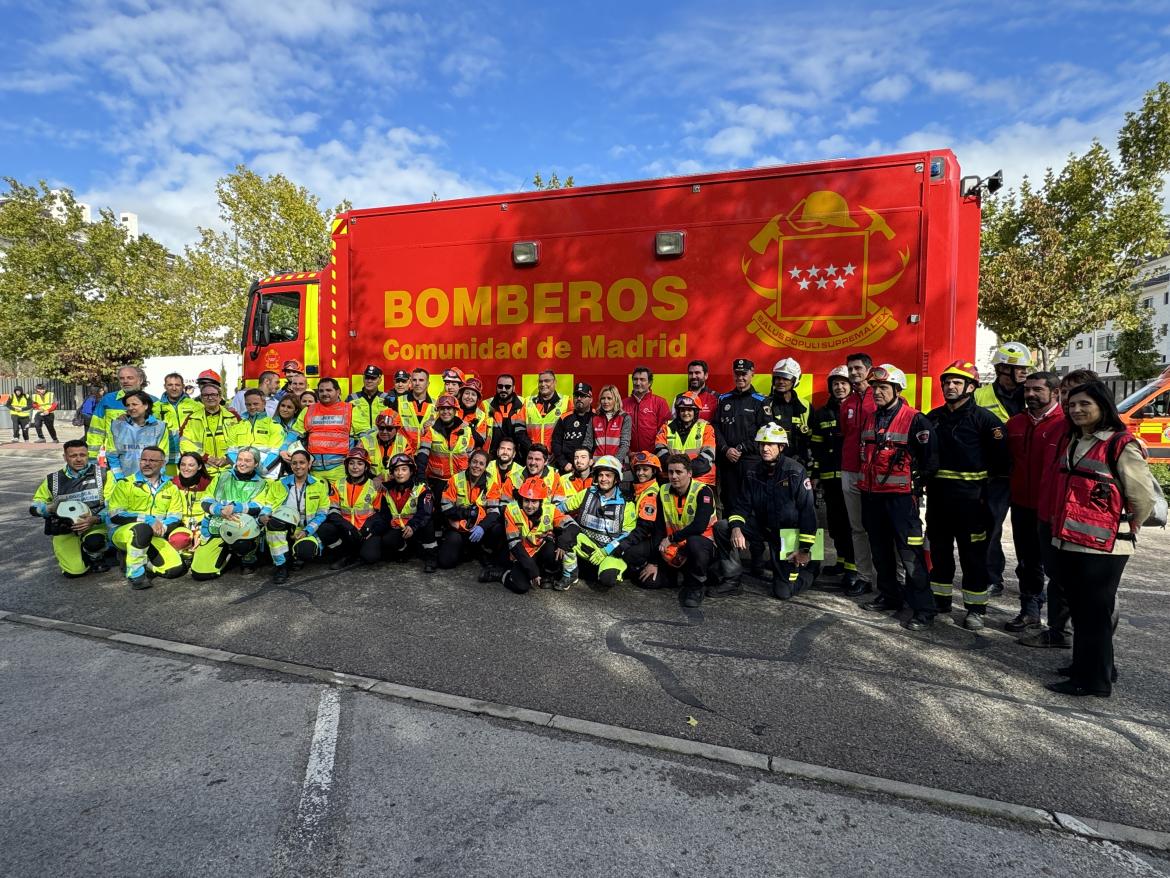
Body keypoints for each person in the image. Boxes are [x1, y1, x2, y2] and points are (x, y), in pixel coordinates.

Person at [1046, 381, 1158, 697]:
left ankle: (1094, 681)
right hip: (1072, 541)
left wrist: (1132, 524)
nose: (1077, 410)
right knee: (1083, 611)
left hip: (1105, 547)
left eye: (1085, 404)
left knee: (1095, 612)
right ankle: (1089, 666)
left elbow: (1142, 497)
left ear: (1102, 406)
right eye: (1072, 405)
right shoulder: (1076, 440)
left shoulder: (1121, 444)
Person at [924, 361, 1010, 630]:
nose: (950, 386)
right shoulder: (933, 417)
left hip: (973, 503)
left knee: (973, 556)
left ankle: (976, 609)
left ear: (971, 387)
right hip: (939, 500)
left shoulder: (986, 420)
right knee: (939, 553)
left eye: (957, 383)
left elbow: (1002, 464)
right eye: (947, 382)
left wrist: (987, 497)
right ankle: (940, 604)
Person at [1019, 368, 1099, 649]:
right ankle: (1059, 634)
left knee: (1093, 591)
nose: (1071, 402)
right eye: (1067, 394)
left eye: (1080, 397)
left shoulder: (1112, 438)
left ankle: (1095, 652)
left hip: (1084, 523)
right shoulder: (1057, 428)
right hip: (1047, 515)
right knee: (1058, 579)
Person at [857, 365, 939, 630]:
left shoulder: (916, 420)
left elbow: (931, 462)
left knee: (910, 555)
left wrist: (914, 488)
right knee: (880, 552)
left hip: (901, 501)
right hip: (873, 497)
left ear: (896, 389)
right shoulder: (871, 417)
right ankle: (890, 596)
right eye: (874, 388)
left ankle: (923, 610)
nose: (877, 392)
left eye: (882, 388)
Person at [713, 423, 817, 600]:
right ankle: (732, 579)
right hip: (763, 526)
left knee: (783, 592)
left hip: (789, 533)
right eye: (762, 444)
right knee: (723, 527)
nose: (765, 448)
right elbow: (742, 505)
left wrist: (805, 548)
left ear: (781, 447)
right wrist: (737, 527)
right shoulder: (753, 471)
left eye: (770, 444)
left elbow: (807, 512)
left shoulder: (795, 471)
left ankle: (812, 567)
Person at [1004, 371, 1064, 632]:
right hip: (1022, 505)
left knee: (1058, 567)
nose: (1030, 394)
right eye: (1027, 389)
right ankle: (1029, 611)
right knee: (1027, 562)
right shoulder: (1015, 424)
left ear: (1055, 392)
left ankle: (1060, 625)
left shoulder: (1066, 424)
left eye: (1038, 389)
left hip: (1054, 509)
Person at [975, 341, 1033, 597]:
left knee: (1028, 533)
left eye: (1025, 368)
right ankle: (992, 577)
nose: (1023, 372)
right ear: (1001, 369)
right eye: (1017, 367)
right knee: (990, 527)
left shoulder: (1033, 395)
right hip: (995, 475)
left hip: (1027, 474)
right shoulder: (979, 396)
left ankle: (1030, 584)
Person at [191, 447, 280, 580]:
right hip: (218, 524)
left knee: (244, 540)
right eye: (240, 459)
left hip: (243, 526)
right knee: (201, 573)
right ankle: (226, 553)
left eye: (248, 460)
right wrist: (219, 510)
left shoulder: (263, 483)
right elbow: (206, 499)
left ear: (256, 464)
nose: (242, 463)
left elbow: (259, 505)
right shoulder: (222, 477)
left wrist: (234, 508)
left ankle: (247, 559)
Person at [105, 445, 187, 588]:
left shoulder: (171, 487)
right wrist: (149, 520)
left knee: (175, 570)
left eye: (152, 460)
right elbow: (116, 515)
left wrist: (162, 527)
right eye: (144, 459)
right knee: (142, 529)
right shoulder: (125, 484)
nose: (147, 463)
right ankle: (135, 574)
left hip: (155, 534)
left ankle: (137, 559)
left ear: (162, 463)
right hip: (124, 533)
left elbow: (175, 515)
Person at [30, 438, 111, 577]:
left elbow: (114, 505)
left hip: (96, 526)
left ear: (88, 455)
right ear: (65, 457)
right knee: (74, 572)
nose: (79, 459)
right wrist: (48, 509)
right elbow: (34, 507)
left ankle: (96, 555)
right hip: (65, 529)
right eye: (73, 456)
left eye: (82, 455)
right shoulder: (53, 479)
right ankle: (81, 553)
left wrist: (95, 519)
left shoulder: (104, 474)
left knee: (94, 542)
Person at [714, 358, 766, 571]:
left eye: (744, 373)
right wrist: (726, 449)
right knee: (730, 506)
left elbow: (765, 433)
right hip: (728, 463)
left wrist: (741, 448)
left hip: (752, 463)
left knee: (754, 510)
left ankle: (757, 559)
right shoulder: (724, 399)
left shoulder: (761, 401)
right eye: (737, 373)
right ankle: (732, 562)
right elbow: (715, 428)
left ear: (752, 373)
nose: (740, 377)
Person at [558, 455, 637, 589]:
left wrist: (606, 551)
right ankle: (570, 574)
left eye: (608, 475)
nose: (603, 479)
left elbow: (627, 533)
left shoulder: (626, 503)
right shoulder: (587, 493)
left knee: (608, 579)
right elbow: (560, 508)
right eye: (600, 475)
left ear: (616, 479)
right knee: (565, 536)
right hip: (587, 544)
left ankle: (616, 568)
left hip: (610, 552)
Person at [809, 366, 855, 582]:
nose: (839, 387)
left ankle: (853, 570)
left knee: (852, 523)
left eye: (844, 383)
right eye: (835, 383)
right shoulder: (822, 413)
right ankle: (842, 561)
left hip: (852, 478)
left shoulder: (859, 409)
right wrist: (816, 473)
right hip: (830, 478)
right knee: (836, 523)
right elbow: (816, 447)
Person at [839, 351, 877, 596]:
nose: (854, 373)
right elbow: (846, 434)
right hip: (850, 470)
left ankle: (892, 578)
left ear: (869, 370)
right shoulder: (847, 404)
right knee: (857, 528)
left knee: (882, 528)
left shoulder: (881, 395)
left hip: (877, 474)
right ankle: (864, 576)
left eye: (858, 368)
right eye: (850, 369)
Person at [657, 453, 717, 608]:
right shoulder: (663, 491)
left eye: (679, 472)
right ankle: (677, 575)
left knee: (694, 542)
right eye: (670, 472)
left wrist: (670, 539)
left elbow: (699, 526)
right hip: (677, 546)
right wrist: (653, 561)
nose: (674, 476)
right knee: (648, 581)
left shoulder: (703, 491)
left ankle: (697, 586)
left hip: (703, 546)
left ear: (689, 473)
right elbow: (658, 527)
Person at [314, 447, 386, 570]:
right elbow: (332, 512)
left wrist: (369, 528)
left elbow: (380, 514)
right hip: (346, 530)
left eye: (360, 463)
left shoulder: (374, 486)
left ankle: (360, 552)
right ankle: (344, 555)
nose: (355, 467)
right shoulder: (338, 484)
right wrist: (348, 527)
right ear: (346, 466)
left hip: (366, 531)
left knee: (370, 557)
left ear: (366, 467)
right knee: (324, 529)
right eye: (351, 463)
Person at [264, 449, 331, 582]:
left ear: (309, 464)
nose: (298, 466)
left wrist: (307, 531)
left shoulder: (319, 485)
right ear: (291, 465)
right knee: (274, 526)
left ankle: (295, 556)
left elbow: (322, 514)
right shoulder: (279, 484)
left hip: (305, 530)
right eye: (294, 463)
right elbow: (268, 505)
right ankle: (281, 567)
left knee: (306, 551)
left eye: (302, 462)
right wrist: (263, 517)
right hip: (283, 528)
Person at [501, 476, 574, 593]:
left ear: (541, 501)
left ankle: (547, 576)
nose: (530, 506)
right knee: (521, 587)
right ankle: (502, 574)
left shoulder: (550, 509)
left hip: (540, 550)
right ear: (522, 499)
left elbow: (572, 525)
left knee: (554, 548)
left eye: (534, 501)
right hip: (520, 553)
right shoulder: (511, 510)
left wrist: (563, 541)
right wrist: (533, 571)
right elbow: (514, 545)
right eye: (526, 500)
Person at [439, 449, 504, 576]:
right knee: (445, 562)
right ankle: (465, 550)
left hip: (480, 530)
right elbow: (445, 507)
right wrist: (468, 513)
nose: (477, 466)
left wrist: (482, 527)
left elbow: (494, 512)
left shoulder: (491, 483)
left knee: (498, 528)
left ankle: (484, 551)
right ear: (469, 462)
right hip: (457, 526)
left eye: (481, 464)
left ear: (485, 467)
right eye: (474, 462)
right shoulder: (455, 480)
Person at [611, 451, 664, 589]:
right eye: (638, 469)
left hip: (651, 539)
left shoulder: (651, 494)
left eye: (645, 469)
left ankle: (642, 566)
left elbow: (644, 528)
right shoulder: (640, 489)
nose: (641, 473)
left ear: (654, 471)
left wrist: (623, 544)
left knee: (627, 552)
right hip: (642, 536)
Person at [379, 452, 438, 571]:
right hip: (399, 528)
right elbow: (385, 514)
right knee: (387, 540)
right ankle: (405, 550)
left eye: (404, 469)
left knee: (428, 524)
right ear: (392, 473)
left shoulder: (422, 489)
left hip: (417, 527)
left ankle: (431, 557)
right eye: (396, 470)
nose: (400, 473)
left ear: (411, 471)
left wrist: (412, 526)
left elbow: (425, 513)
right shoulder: (387, 490)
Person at [87, 365, 152, 462]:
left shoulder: (154, 402)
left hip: (144, 458)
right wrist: (91, 457)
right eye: (122, 378)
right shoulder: (107, 400)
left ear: (141, 380)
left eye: (130, 378)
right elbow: (96, 431)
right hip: (114, 458)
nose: (125, 381)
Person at [655, 391, 717, 489]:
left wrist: (683, 472)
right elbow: (660, 453)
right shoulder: (667, 427)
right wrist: (680, 471)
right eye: (682, 410)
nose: (686, 413)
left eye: (689, 410)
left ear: (695, 412)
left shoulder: (706, 428)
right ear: (678, 412)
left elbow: (707, 458)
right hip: (671, 479)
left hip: (700, 480)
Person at [104, 390, 171, 481]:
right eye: (128, 405)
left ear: (146, 406)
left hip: (149, 481)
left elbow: (163, 457)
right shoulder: (117, 426)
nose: (131, 408)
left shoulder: (160, 427)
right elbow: (112, 455)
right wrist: (120, 478)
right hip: (122, 480)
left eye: (134, 404)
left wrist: (154, 479)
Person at [179, 382, 241, 477]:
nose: (210, 397)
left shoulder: (233, 417)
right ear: (201, 399)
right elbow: (184, 443)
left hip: (230, 471)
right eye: (206, 395)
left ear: (220, 397)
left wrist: (229, 458)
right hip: (202, 472)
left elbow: (243, 441)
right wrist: (205, 457)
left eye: (213, 394)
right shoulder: (192, 418)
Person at [301, 378, 353, 484]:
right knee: (316, 500)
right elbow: (295, 433)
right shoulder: (309, 410)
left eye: (329, 390)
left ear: (338, 392)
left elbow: (365, 436)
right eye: (321, 391)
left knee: (340, 500)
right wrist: (283, 449)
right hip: (314, 470)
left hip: (339, 469)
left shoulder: (350, 410)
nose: (324, 393)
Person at [226, 389, 286, 477]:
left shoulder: (274, 426)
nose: (252, 407)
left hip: (265, 475)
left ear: (264, 403)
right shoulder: (237, 426)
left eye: (255, 404)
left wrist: (260, 470)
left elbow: (275, 452)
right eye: (248, 404)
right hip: (240, 474)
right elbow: (231, 451)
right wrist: (239, 468)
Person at [762, 358, 811, 465]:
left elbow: (811, 439)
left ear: (795, 381)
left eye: (785, 378)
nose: (780, 382)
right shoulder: (765, 404)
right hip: (771, 464)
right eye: (777, 378)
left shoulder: (805, 406)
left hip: (799, 464)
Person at [167, 452, 211, 558]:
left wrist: (201, 530)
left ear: (199, 466)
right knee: (177, 540)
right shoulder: (172, 483)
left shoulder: (209, 483)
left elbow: (212, 509)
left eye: (191, 465)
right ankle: (183, 552)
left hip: (204, 525)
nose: (186, 468)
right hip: (181, 524)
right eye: (183, 464)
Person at [156, 373, 201, 472]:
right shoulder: (155, 408)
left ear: (183, 386)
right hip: (168, 459)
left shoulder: (196, 406)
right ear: (165, 386)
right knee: (170, 486)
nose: (174, 388)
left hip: (191, 457)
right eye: (170, 385)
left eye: (177, 385)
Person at [366, 409, 430, 479]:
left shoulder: (404, 443)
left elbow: (409, 470)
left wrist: (387, 479)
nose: (384, 432)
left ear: (397, 429)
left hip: (395, 483)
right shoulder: (365, 441)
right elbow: (358, 468)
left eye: (389, 428)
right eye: (381, 428)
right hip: (370, 482)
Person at [623, 366, 671, 455]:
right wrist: (627, 453)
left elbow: (664, 431)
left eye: (642, 380)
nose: (638, 383)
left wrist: (657, 452)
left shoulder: (660, 402)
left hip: (653, 456)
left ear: (649, 383)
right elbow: (618, 432)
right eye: (635, 379)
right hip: (629, 457)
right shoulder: (623, 404)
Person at [522, 369, 570, 455]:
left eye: (547, 381)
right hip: (533, 455)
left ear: (555, 382)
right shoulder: (528, 402)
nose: (543, 384)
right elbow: (519, 430)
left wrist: (558, 454)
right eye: (540, 381)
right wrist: (531, 449)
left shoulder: (567, 402)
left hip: (557, 457)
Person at [552, 382, 595, 472]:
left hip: (590, 467)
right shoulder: (564, 418)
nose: (579, 399)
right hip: (567, 467)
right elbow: (556, 443)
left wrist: (592, 461)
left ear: (591, 399)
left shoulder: (596, 417)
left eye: (583, 396)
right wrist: (563, 463)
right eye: (576, 396)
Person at [592, 385, 631, 473]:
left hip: (617, 465)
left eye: (609, 398)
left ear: (616, 399)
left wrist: (613, 463)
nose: (605, 401)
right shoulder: (594, 418)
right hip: (597, 465)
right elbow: (588, 442)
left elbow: (625, 444)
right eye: (603, 398)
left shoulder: (625, 417)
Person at [487, 373, 528, 456]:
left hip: (519, 456)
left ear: (513, 388)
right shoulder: (486, 405)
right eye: (500, 386)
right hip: (492, 455)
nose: (503, 389)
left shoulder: (525, 404)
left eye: (507, 387)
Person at [349, 365, 390, 441]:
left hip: (381, 441)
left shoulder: (387, 398)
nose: (369, 381)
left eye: (373, 378)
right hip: (357, 442)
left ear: (379, 380)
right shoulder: (351, 398)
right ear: (363, 379)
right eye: (367, 377)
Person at [400, 368, 436, 455]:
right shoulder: (399, 402)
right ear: (410, 382)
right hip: (404, 455)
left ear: (428, 383)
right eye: (414, 380)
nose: (417, 383)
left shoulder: (436, 405)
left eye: (421, 380)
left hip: (427, 455)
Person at [485, 437, 523, 505]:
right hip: (489, 508)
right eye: (502, 448)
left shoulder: (520, 471)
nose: (505, 452)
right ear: (497, 452)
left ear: (514, 454)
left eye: (509, 449)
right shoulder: (487, 467)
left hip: (510, 510)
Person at [458, 378, 490, 449]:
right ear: (461, 394)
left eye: (473, 394)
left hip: (468, 457)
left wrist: (469, 427)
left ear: (477, 398)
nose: (469, 397)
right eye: (467, 393)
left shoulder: (481, 416)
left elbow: (481, 441)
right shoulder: (452, 409)